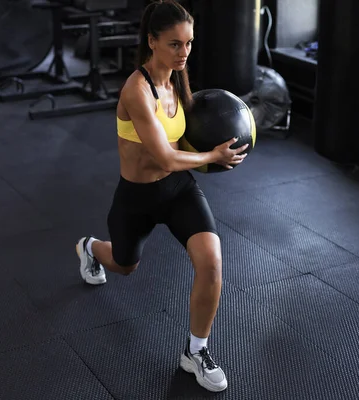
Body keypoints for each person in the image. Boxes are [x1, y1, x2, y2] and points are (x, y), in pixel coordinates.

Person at [74, 0, 248, 393]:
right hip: (137, 195)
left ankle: (196, 352)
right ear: (152, 42)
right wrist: (214, 156)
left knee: (212, 264)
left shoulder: (178, 81)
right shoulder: (137, 90)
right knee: (124, 264)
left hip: (178, 190)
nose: (184, 52)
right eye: (174, 44)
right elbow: (165, 155)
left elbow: (180, 147)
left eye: (188, 43)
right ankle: (90, 248)